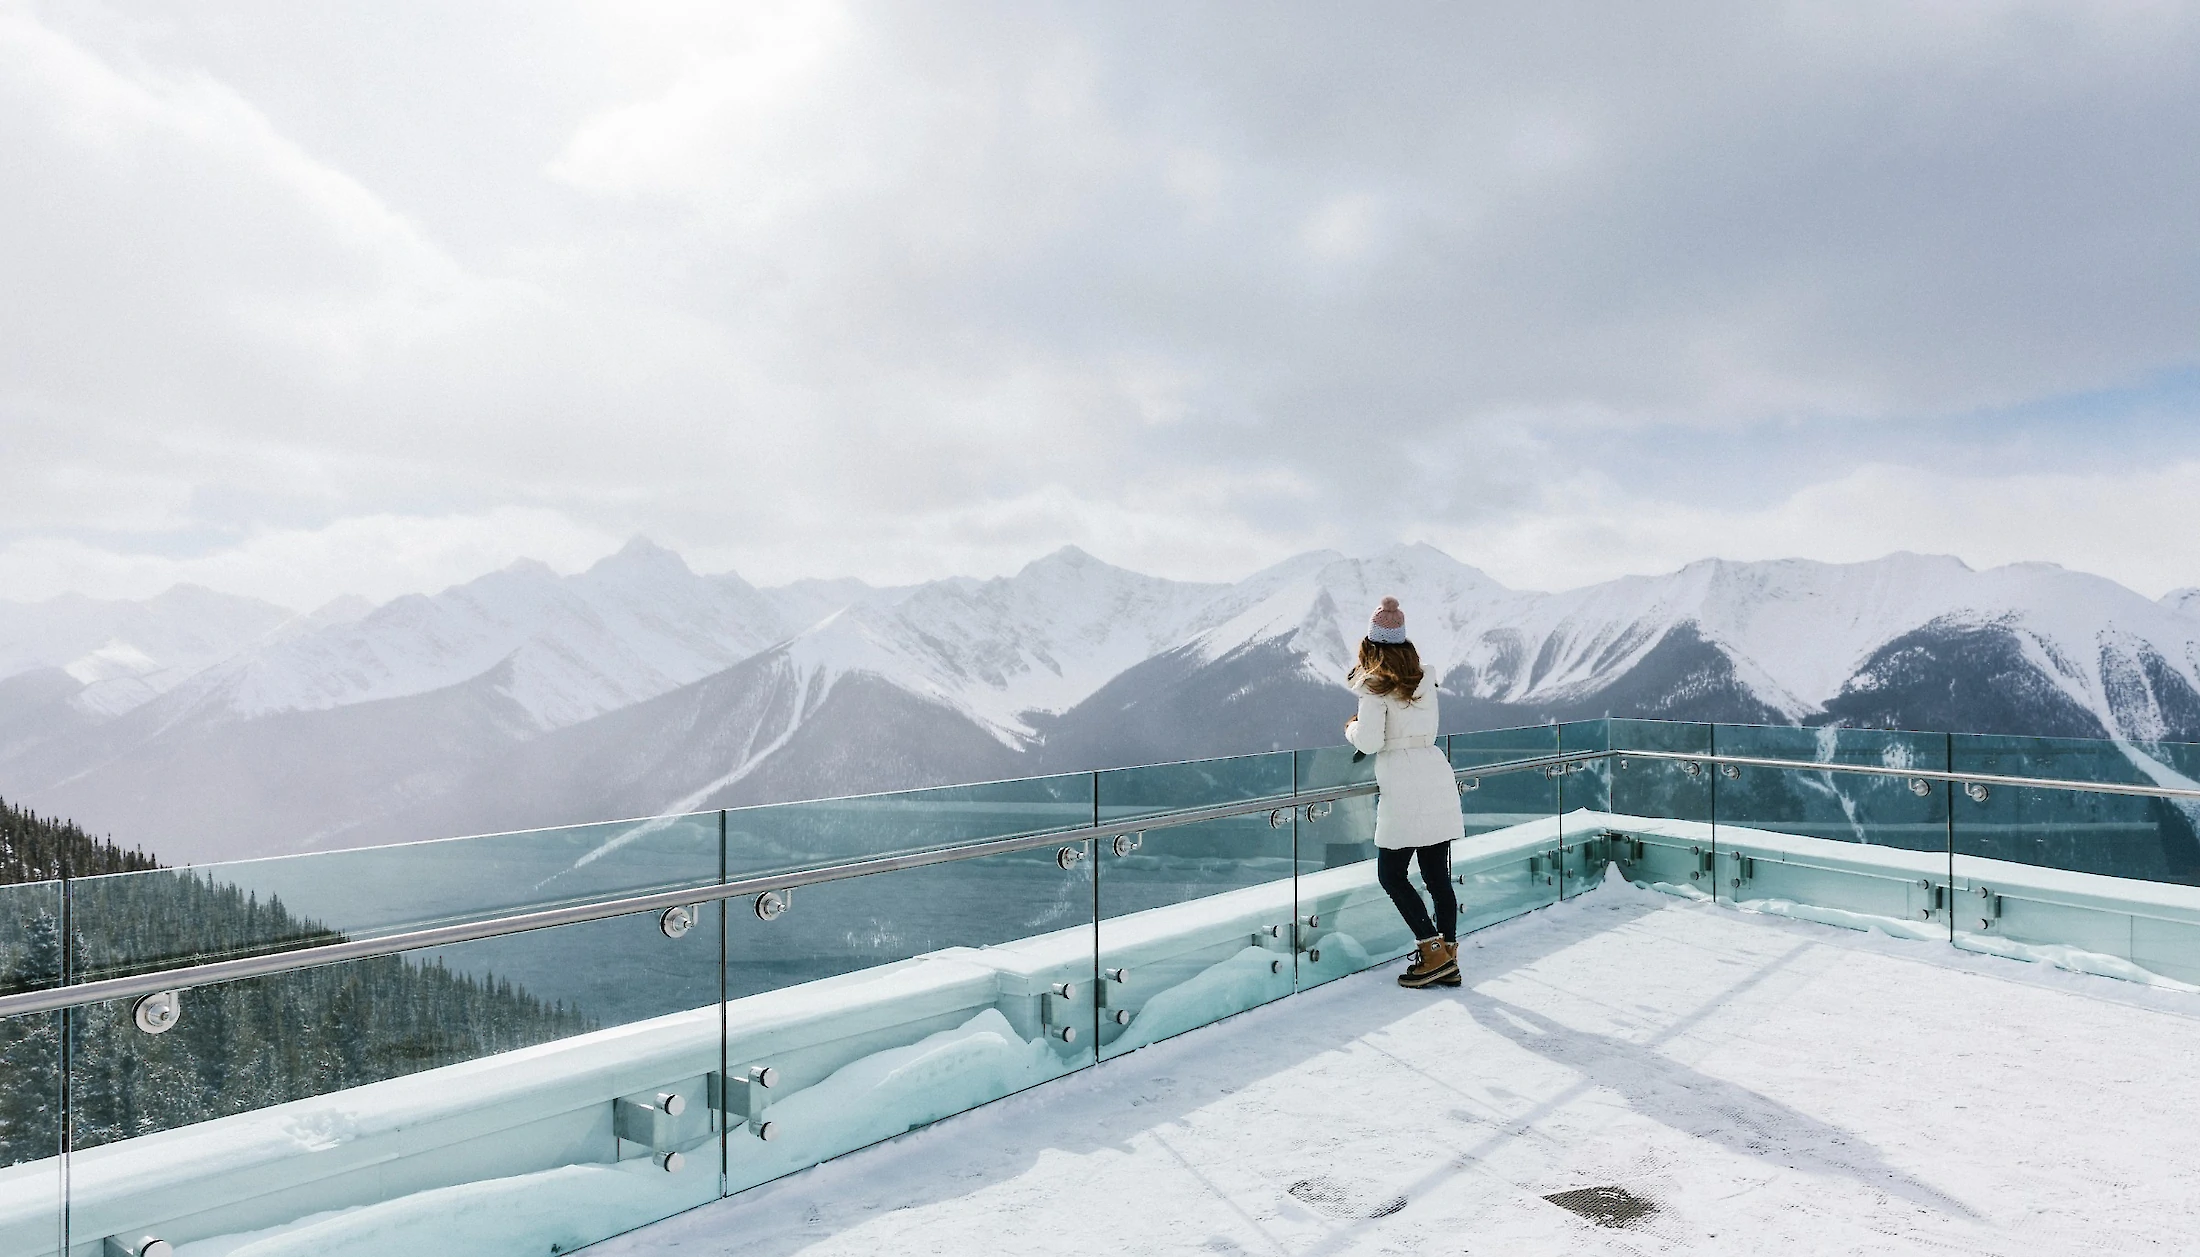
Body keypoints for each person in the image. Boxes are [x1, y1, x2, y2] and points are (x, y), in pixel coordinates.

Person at [1345, 597, 1465, 989]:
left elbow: (1370, 741)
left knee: (1392, 874)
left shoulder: (1374, 688)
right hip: (1435, 771)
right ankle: (1448, 955)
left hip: (1403, 782)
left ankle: (1431, 953)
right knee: (1436, 876)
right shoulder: (1424, 680)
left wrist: (1350, 727)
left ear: (1371, 646)